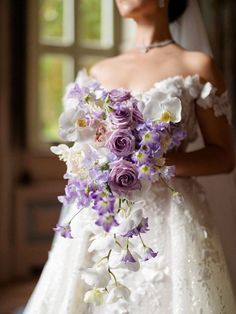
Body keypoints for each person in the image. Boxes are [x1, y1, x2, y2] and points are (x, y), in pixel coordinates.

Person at [23, 0, 236, 313]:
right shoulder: (99, 70)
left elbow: (224, 156)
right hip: (101, 216)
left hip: (168, 219)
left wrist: (154, 163)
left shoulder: (196, 66)